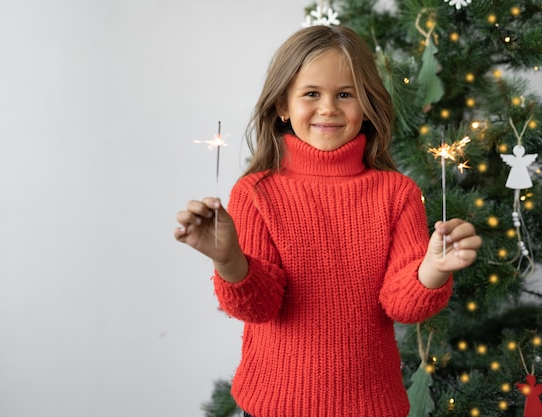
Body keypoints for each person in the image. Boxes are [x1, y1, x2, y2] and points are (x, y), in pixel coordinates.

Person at [174, 25, 482, 417]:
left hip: (371, 405)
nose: (328, 108)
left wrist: (433, 268)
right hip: (274, 404)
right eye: (311, 94)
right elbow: (260, 307)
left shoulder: (397, 193)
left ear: (366, 104)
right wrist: (229, 259)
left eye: (345, 94)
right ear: (282, 106)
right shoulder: (255, 193)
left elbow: (401, 305)